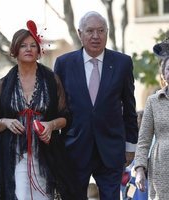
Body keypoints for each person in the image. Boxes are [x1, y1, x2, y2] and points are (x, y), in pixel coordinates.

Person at [0, 20, 81, 200]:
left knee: (45, 196)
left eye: (33, 45)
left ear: (38, 51)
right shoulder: (3, 85)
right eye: (23, 45)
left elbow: (66, 116)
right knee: (19, 195)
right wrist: (6, 122)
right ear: (15, 50)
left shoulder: (52, 80)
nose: (28, 49)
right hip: (16, 154)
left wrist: (51, 125)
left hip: (47, 154)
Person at [54, 11, 138, 200]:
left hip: (111, 149)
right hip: (74, 148)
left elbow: (129, 108)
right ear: (79, 33)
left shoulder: (122, 63)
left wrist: (131, 147)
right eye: (90, 31)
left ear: (107, 33)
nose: (96, 36)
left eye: (101, 30)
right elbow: (56, 109)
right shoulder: (64, 64)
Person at [134, 44, 169, 199]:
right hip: (161, 168)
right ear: (163, 74)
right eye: (168, 69)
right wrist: (140, 169)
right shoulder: (153, 101)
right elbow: (144, 139)